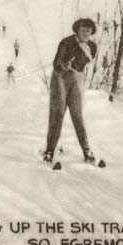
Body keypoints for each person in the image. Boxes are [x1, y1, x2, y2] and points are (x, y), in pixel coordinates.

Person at [44, 18, 98, 164]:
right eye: (83, 29)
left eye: (89, 30)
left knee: (77, 114)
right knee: (58, 112)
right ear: (77, 30)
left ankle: (86, 149)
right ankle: (49, 150)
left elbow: (81, 65)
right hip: (60, 78)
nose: (86, 32)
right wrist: (63, 65)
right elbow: (57, 63)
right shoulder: (66, 42)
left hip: (76, 79)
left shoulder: (92, 47)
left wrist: (75, 66)